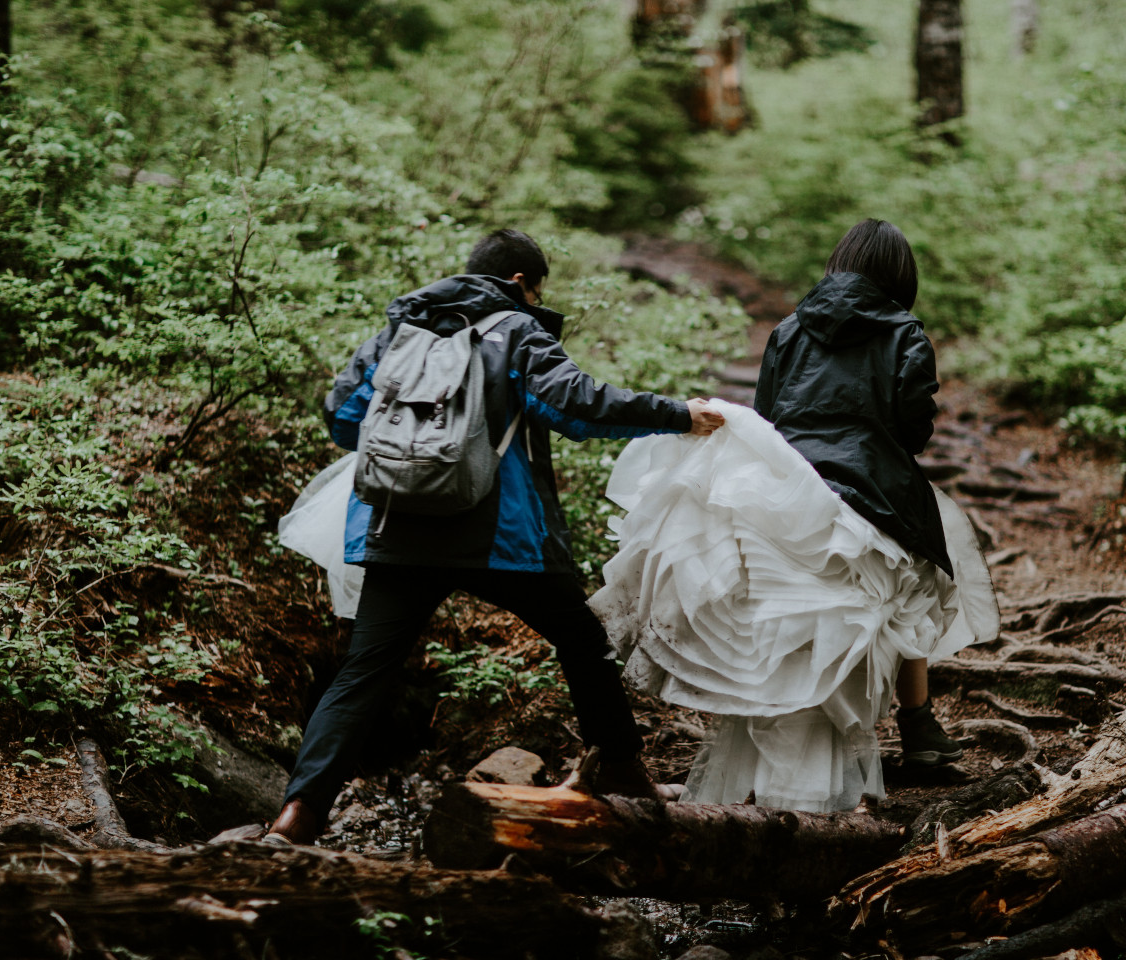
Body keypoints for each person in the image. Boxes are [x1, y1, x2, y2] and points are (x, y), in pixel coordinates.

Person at [264, 228, 725, 846]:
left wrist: (421, 456)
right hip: (497, 537)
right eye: (537, 291)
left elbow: (344, 416)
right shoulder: (516, 330)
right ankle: (622, 769)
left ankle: (299, 813)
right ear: (519, 284)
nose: (536, 302)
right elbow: (575, 404)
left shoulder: (400, 333)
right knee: (583, 641)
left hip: (398, 530)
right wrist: (677, 414)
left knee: (363, 674)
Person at [591, 219, 998, 812]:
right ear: (900, 277)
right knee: (922, 575)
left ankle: (783, 755)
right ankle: (919, 728)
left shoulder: (790, 327)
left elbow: (767, 415)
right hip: (871, 485)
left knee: (787, 616)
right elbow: (913, 430)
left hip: (789, 485)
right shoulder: (905, 331)